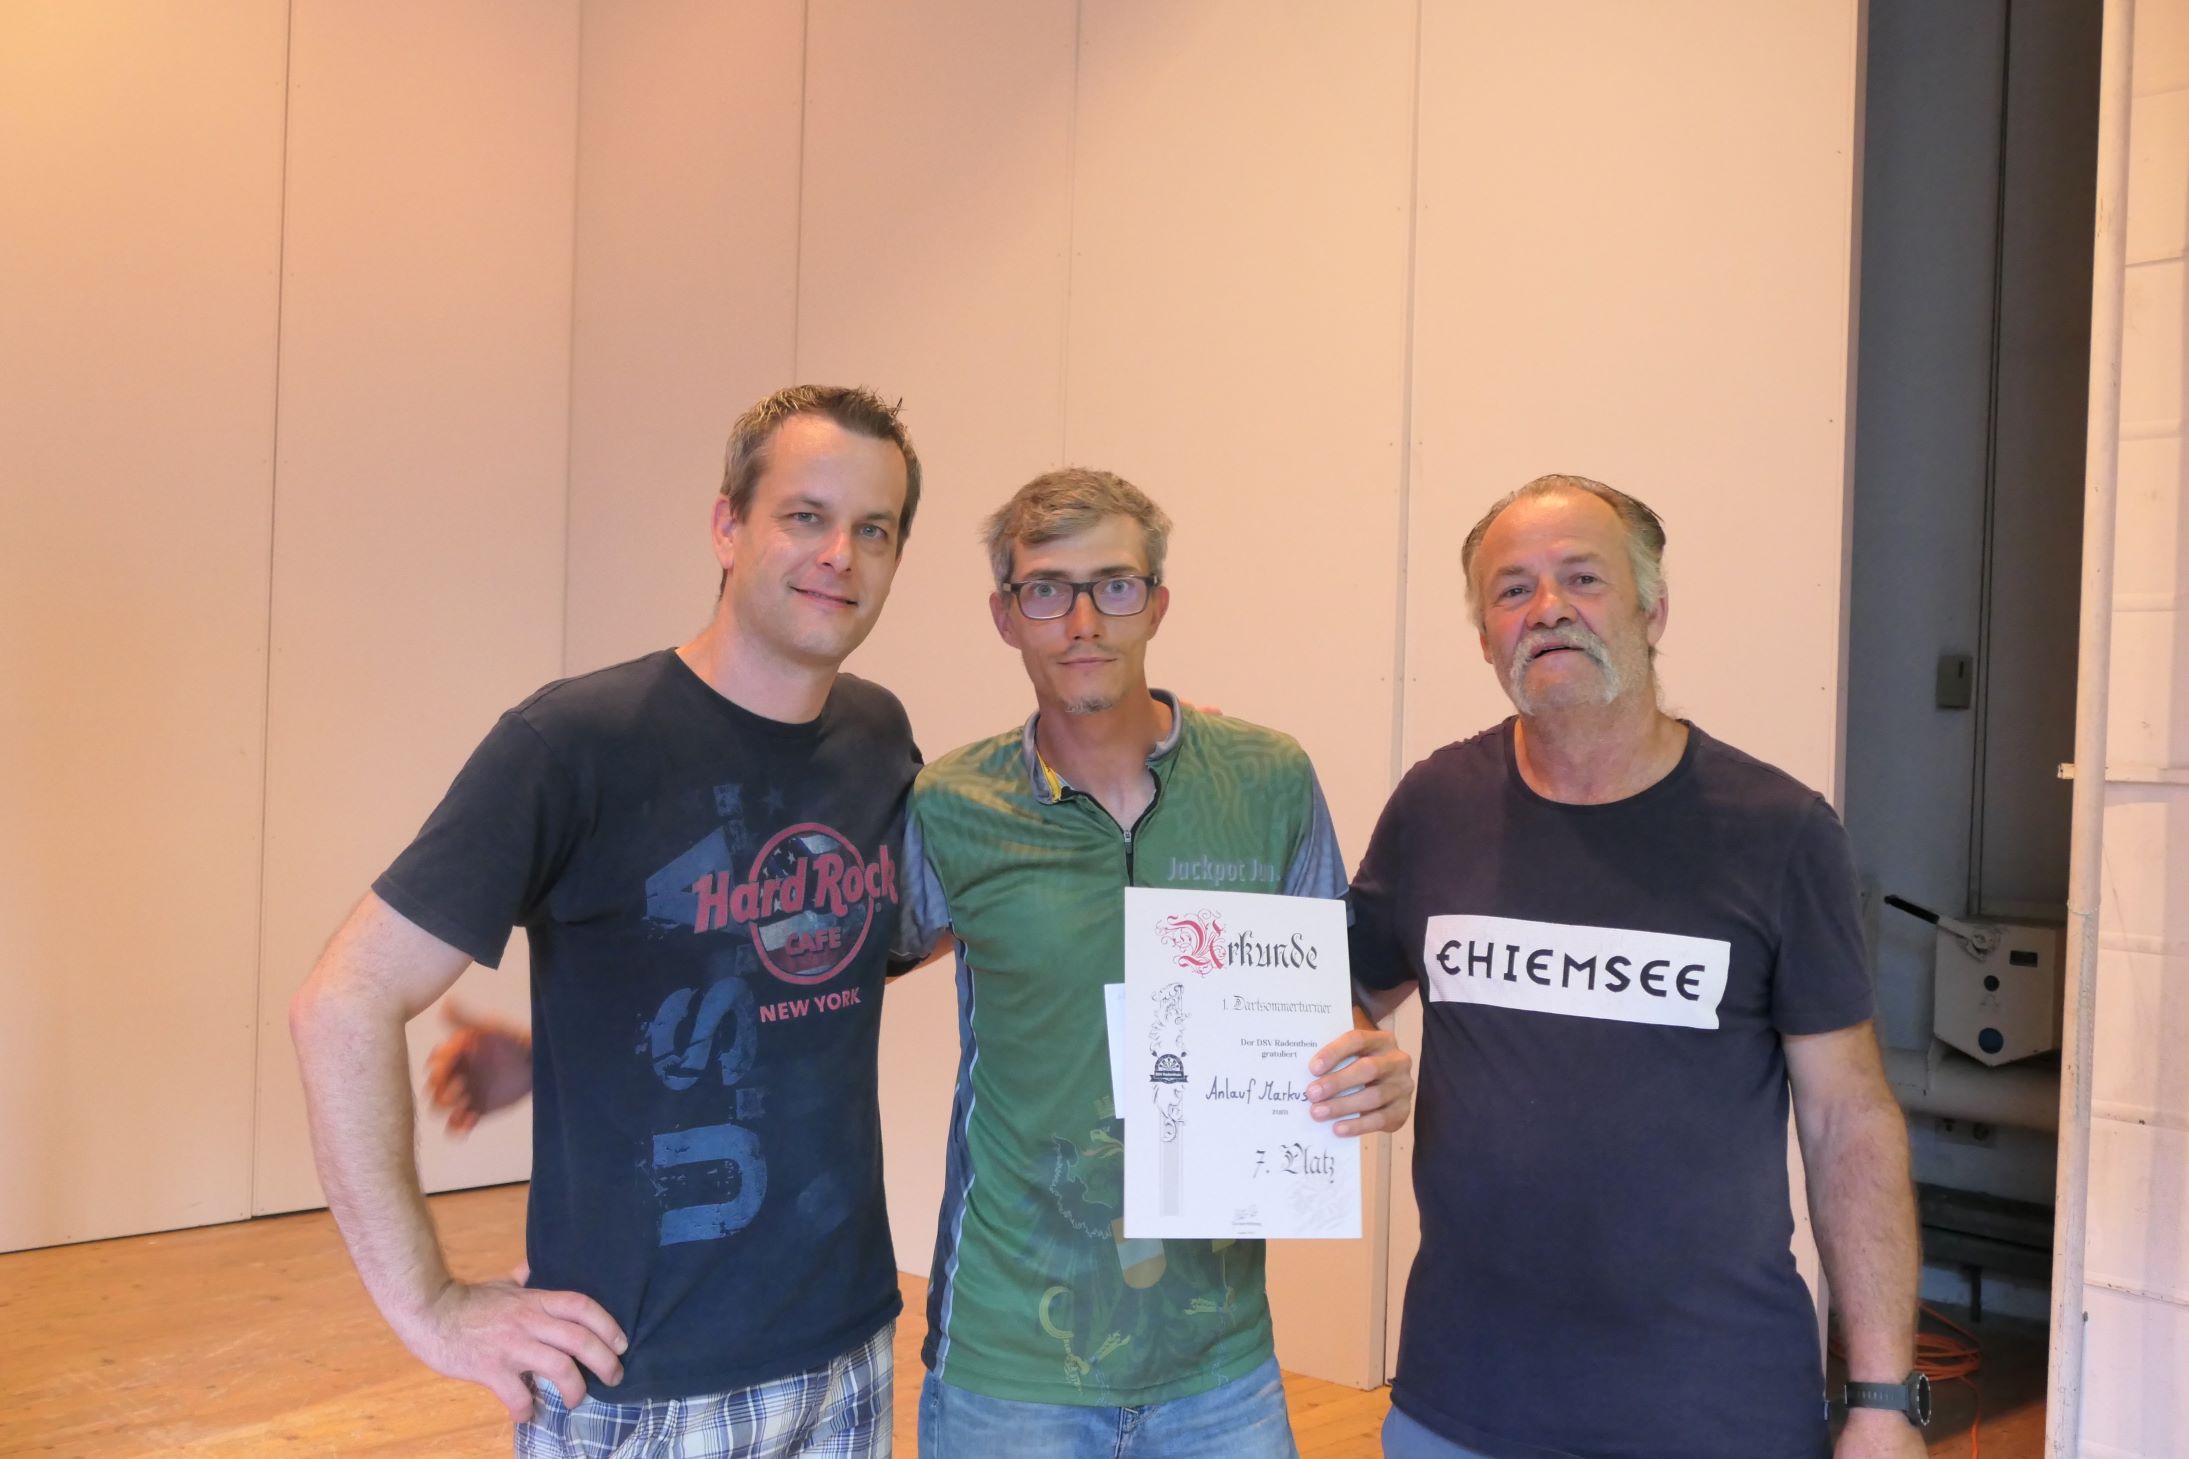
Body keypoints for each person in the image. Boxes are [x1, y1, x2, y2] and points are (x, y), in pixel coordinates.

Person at [289, 384, 926, 1459]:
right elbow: (341, 1003)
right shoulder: (575, 744)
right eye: (804, 516)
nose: (840, 556)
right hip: (637, 1384)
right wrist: (430, 1307)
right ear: (726, 525)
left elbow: (830, 952)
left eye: (874, 529)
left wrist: (574, 1056)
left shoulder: (874, 733)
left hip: (847, 1352)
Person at [1348, 474, 1925, 1459]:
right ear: (1485, 636)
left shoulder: (1778, 831)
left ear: (1651, 611)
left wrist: (1881, 1400)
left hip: (1710, 1412)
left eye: (1582, 577)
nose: (1546, 608)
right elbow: (1333, 990)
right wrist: (1356, 1049)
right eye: (1511, 589)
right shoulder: (1435, 803)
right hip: (1457, 1406)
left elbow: (1847, 1118)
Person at [897, 468, 1415, 1458]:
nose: (1083, 620)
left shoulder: (1266, 779)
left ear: (1158, 603)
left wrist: (1367, 1068)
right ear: (1005, 617)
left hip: (1218, 1362)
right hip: (1009, 1360)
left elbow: (1326, 1004)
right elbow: (841, 975)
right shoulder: (951, 803)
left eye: (1115, 584)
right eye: (1045, 589)